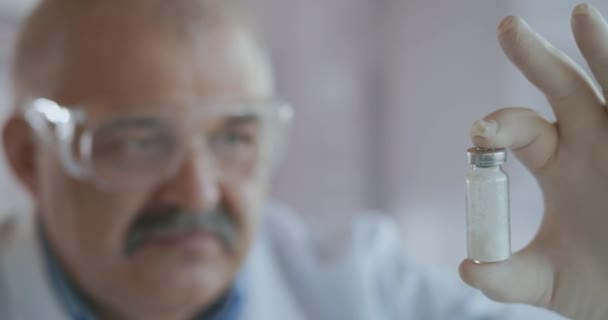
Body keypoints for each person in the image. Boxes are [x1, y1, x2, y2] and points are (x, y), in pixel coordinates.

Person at [0, 0, 606, 319]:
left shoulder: (364, 291)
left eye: (235, 137)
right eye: (139, 140)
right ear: (29, 157)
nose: (198, 193)